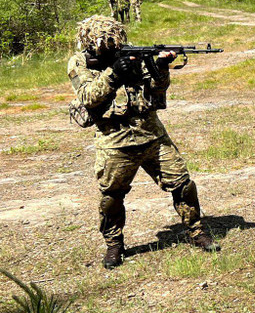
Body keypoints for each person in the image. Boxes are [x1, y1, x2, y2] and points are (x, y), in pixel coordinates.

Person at [67, 16, 219, 269]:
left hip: (151, 134)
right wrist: (114, 74)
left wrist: (161, 67)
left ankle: (197, 232)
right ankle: (114, 245)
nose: (111, 46)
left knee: (183, 185)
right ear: (91, 42)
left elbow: (157, 91)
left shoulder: (133, 54)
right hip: (114, 140)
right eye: (105, 43)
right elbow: (88, 97)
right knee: (111, 197)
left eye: (114, 41)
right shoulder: (80, 62)